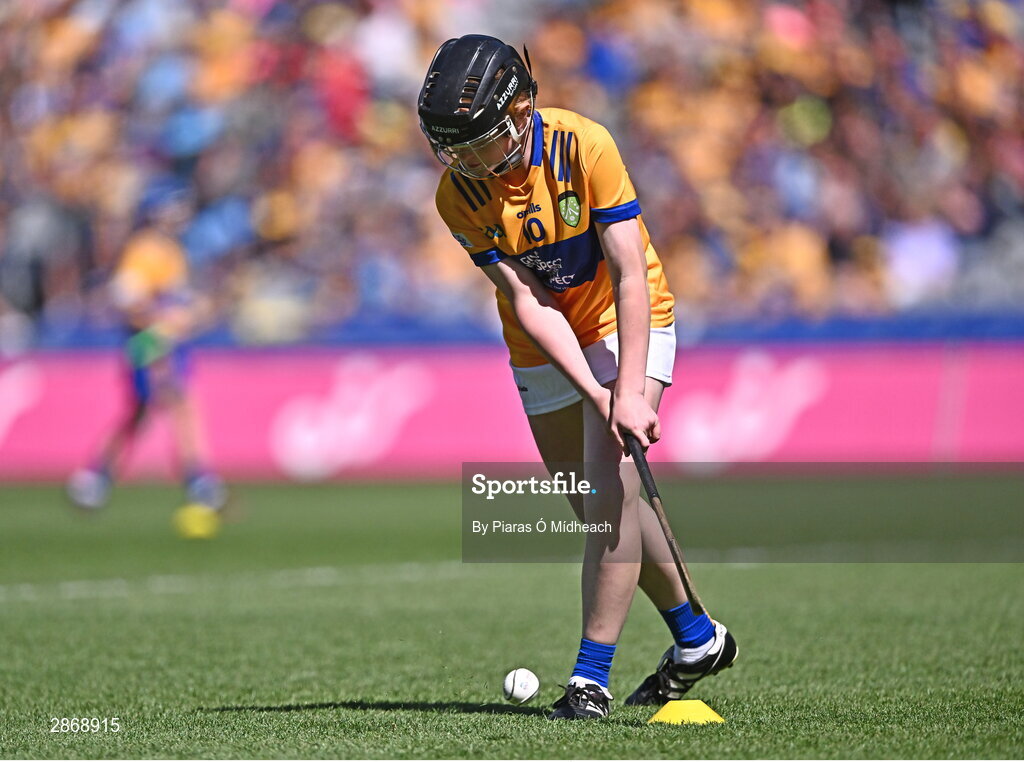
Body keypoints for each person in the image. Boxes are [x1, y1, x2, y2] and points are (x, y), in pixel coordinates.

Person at [417, 35, 737, 720]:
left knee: (608, 498)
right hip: (544, 345)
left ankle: (590, 678)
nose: (468, 163)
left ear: (523, 108)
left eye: (479, 144)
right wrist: (594, 391)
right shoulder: (459, 198)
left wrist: (624, 388)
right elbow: (528, 299)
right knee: (593, 504)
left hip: (626, 318)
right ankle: (697, 637)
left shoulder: (583, 144)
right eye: (455, 151)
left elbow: (626, 269)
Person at [66, 175, 226, 513]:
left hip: (162, 340)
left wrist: (190, 313)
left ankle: (98, 476)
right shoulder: (148, 248)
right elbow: (125, 295)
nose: (182, 213)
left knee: (149, 410)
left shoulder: (169, 248)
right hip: (151, 341)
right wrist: (163, 318)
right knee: (177, 403)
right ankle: (197, 479)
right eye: (176, 206)